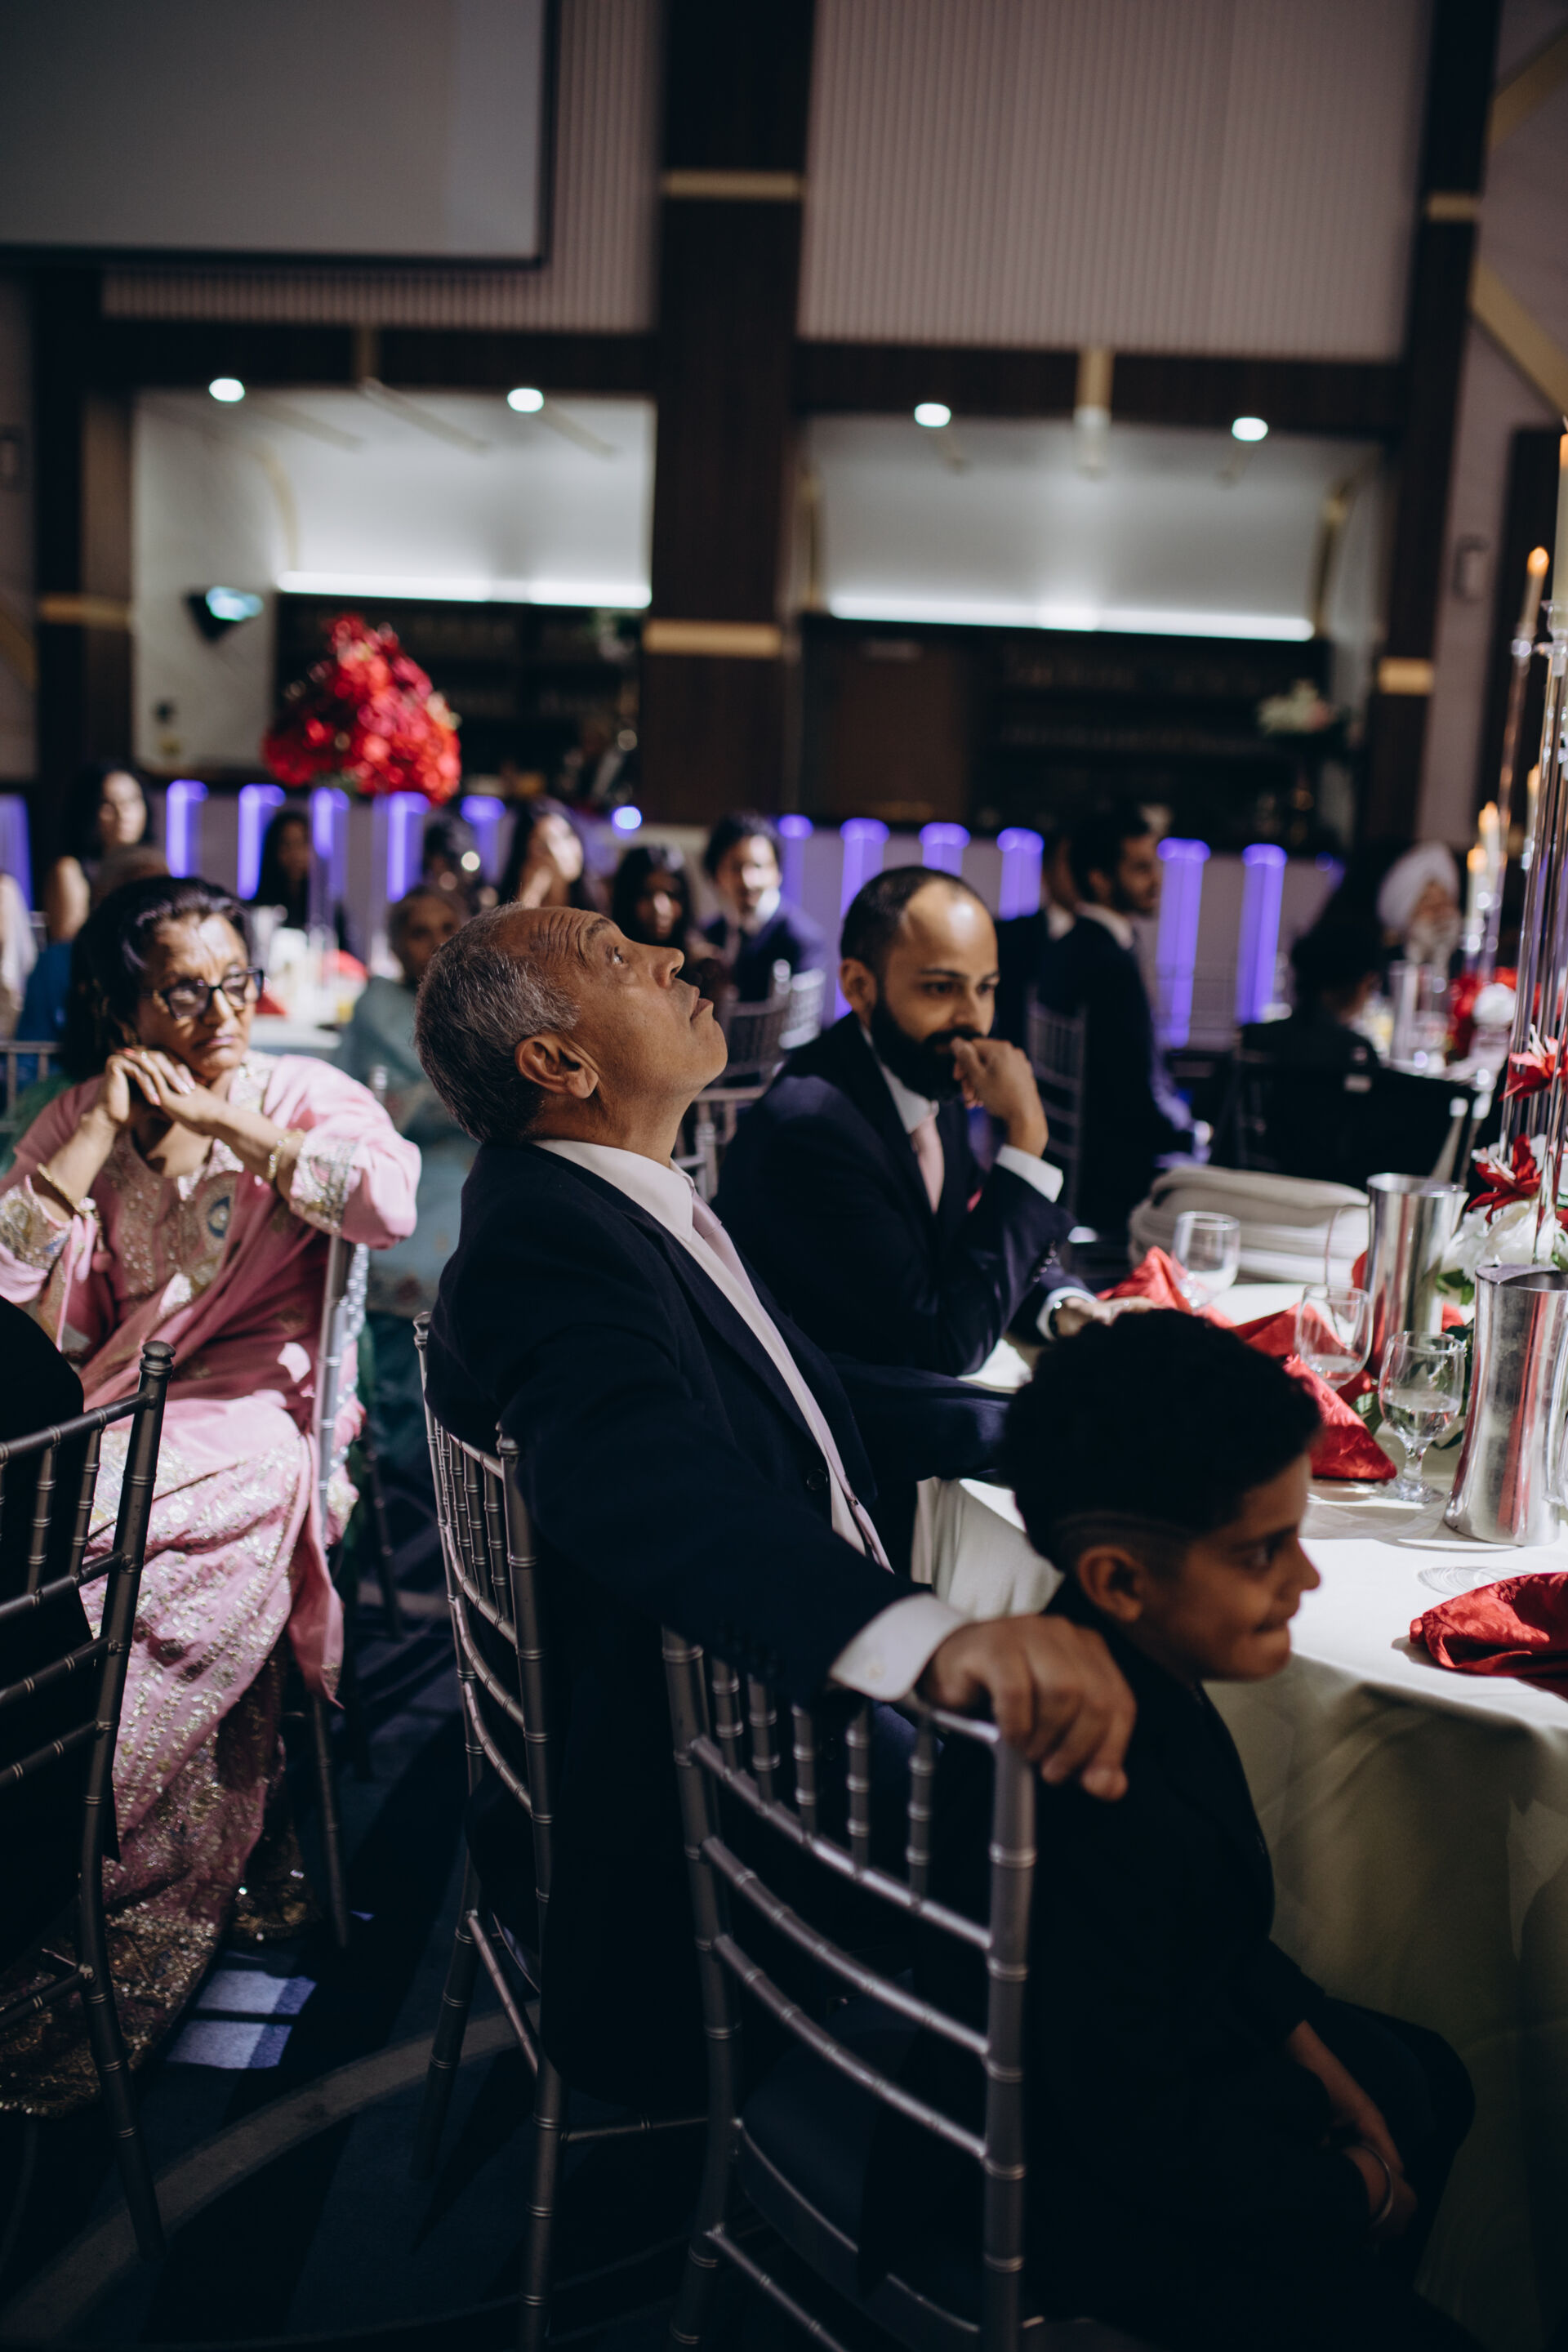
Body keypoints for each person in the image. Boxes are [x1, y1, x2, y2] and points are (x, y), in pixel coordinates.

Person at [414, 902, 1136, 2110]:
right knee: (1140, 1769)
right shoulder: (543, 1242)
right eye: (618, 958)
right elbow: (632, 1470)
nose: (671, 957)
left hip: (751, 1700)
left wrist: (1054, 1433)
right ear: (560, 1062)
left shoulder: (606, 1198)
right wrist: (917, 1638)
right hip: (737, 1769)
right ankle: (1067, 2136)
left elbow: (805, 1388)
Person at [872, 1312, 1477, 2352]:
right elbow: (1140, 2134)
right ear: (1119, 1580)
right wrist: (1350, 2193)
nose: (1306, 1581)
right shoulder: (1090, 1780)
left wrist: (1310, 2051)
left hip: (1127, 2076)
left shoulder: (1126, 1658)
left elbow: (1205, 1933)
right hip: (1065, 2201)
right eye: (1264, 1552)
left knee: (1425, 2078)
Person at [0, 875, 418, 2109]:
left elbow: (387, 1202)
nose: (223, 1010)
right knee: (40, 1528)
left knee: (102, 1542)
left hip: (259, 1419)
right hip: (116, 1406)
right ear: (123, 1006)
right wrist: (94, 1134)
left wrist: (233, 1125)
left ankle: (68, 1859)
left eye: (235, 980)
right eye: (185, 991)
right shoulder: (79, 1114)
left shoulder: (296, 1095)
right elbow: (11, 1297)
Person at [716, 866, 1093, 1379]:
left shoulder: (925, 1066)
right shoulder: (809, 1133)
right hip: (841, 1412)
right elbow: (944, 1346)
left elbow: (972, 1236)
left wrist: (1066, 1306)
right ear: (859, 986)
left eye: (985, 988)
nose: (973, 1019)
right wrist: (1026, 1136)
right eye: (941, 988)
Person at [339, 887, 474, 1473]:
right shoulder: (378, 1011)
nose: (438, 942)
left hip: (474, 1179)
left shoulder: (487, 1005)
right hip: (406, 1182)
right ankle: (404, 1476)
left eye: (449, 926)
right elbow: (370, 1107)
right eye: (420, 931)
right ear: (394, 945)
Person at [1033, 803, 1196, 1234]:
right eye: (1140, 868)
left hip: (1075, 1164)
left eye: (1155, 865)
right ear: (1100, 879)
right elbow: (1138, 1099)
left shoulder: (1066, 945)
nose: (1157, 880)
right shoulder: (1111, 965)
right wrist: (1195, 1133)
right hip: (1115, 1181)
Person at [18, 844, 168, 1061]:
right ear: (102, 895)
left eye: (162, 893)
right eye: (137, 892)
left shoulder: (172, 962)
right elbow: (29, 1057)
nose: (150, 907)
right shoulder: (58, 961)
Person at [702, 813, 826, 1000]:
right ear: (716, 876)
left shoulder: (801, 939)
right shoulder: (709, 933)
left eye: (758, 867)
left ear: (777, 872)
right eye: (736, 868)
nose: (748, 880)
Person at [1255, 920, 1383, 1074]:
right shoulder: (1357, 1051)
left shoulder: (1255, 1037)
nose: (1369, 996)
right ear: (1349, 985)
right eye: (1370, 985)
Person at [44, 764, 149, 944]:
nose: (122, 813)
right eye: (107, 803)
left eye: (132, 801)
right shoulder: (70, 869)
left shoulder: (152, 864)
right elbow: (68, 944)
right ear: (88, 810)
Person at [994, 822, 1078, 1047]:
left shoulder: (1112, 943)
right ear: (1045, 871)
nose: (1079, 872)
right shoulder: (1006, 935)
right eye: (1070, 861)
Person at [500, 797, 601, 913]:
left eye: (566, 836)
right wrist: (529, 895)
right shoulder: (520, 901)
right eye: (542, 846)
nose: (558, 851)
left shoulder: (595, 898)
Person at [1377, 844, 1462, 971]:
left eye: (1445, 901)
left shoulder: (1467, 966)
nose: (1439, 911)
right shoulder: (1388, 969)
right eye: (1427, 902)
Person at [611, 841, 702, 954]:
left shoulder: (702, 961)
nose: (659, 909)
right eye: (646, 894)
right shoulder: (606, 958)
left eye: (671, 894)